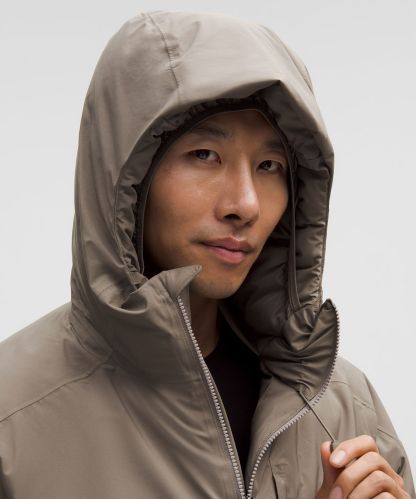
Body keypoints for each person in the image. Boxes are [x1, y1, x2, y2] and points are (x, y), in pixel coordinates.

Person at [0, 9, 414, 499]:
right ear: (127, 177)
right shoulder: (12, 415)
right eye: (204, 155)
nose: (246, 204)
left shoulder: (344, 406)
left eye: (270, 165)